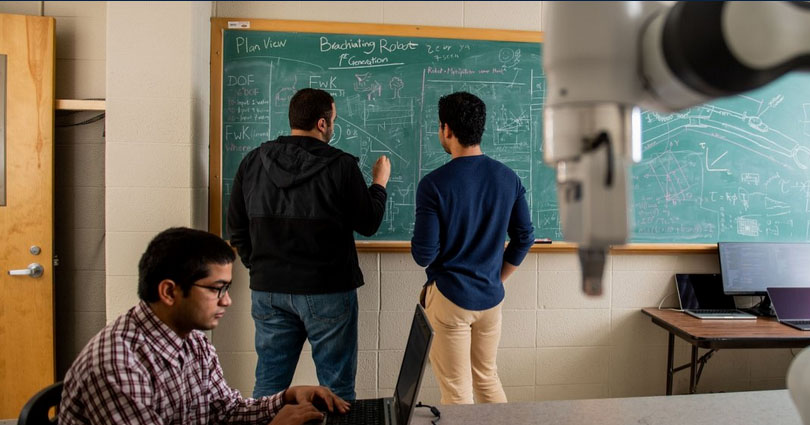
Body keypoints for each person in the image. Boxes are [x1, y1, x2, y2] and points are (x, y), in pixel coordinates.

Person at [59, 227, 350, 425]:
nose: (227, 302)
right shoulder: (117, 364)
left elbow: (225, 411)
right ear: (169, 292)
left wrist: (286, 397)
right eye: (217, 289)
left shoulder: (194, 341)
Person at [227, 88, 390, 399]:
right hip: (327, 289)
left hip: (269, 288)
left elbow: (236, 226)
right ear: (321, 123)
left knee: (269, 388)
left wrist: (260, 265)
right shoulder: (341, 165)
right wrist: (379, 184)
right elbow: (368, 223)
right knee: (337, 388)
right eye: (333, 120)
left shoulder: (253, 161)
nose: (332, 126)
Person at [411, 92, 536, 404]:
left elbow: (423, 255)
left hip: (451, 298)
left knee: (456, 391)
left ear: (447, 130)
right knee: (487, 378)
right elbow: (524, 237)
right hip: (491, 299)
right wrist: (497, 277)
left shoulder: (434, 185)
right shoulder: (509, 178)